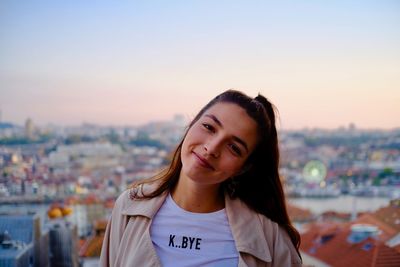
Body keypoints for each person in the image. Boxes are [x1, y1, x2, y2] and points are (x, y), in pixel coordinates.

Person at [100, 89, 302, 267]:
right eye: (209, 127)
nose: (211, 148)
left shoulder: (270, 237)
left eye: (234, 147)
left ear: (243, 167)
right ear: (191, 124)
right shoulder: (129, 207)